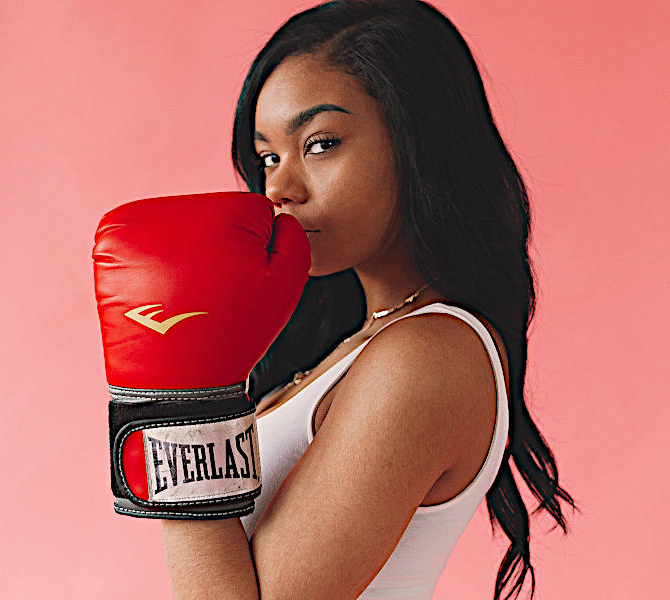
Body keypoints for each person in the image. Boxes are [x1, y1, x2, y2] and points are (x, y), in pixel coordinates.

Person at [145, 1, 576, 598]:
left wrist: (179, 400)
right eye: (269, 156)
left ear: (417, 143)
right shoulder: (363, 342)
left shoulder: (427, 356)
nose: (279, 188)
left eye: (320, 143)